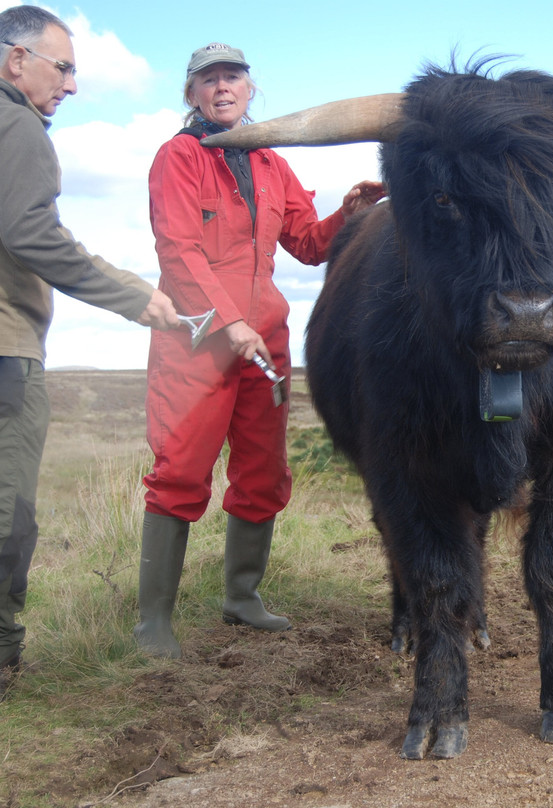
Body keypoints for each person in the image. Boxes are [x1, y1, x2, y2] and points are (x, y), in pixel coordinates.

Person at [135, 42, 384, 658]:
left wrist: (349, 214)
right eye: (210, 80)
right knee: (181, 472)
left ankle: (242, 599)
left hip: (264, 341)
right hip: (197, 339)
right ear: (191, 93)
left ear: (251, 90)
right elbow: (179, 250)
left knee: (264, 471)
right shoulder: (179, 156)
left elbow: (305, 241)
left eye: (234, 78)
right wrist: (228, 322)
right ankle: (153, 625)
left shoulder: (272, 162)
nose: (223, 88)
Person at [0, 6, 179, 699]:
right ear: (17, 61)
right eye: (64, 66)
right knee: (9, 516)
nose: (71, 85)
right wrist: (130, 295)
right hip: (7, 355)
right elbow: (32, 234)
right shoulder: (16, 123)